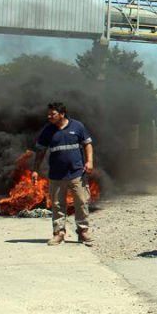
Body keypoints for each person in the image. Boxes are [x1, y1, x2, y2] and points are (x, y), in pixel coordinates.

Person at [32, 102, 95, 247]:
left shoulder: (77, 126)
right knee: (57, 205)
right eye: (48, 114)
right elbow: (40, 151)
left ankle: (83, 231)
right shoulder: (47, 131)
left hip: (77, 173)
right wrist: (35, 169)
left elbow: (87, 144)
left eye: (52, 114)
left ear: (62, 114)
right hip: (56, 175)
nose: (49, 116)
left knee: (81, 202)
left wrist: (90, 161)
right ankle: (59, 233)